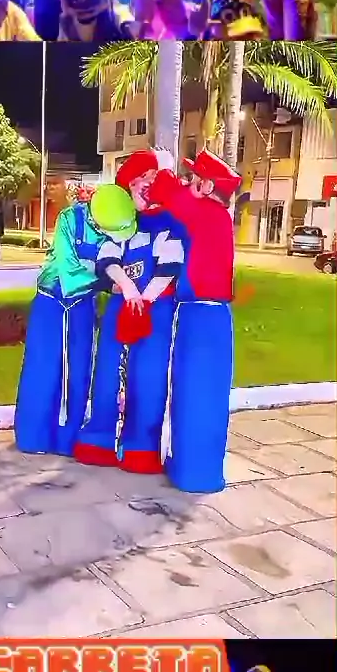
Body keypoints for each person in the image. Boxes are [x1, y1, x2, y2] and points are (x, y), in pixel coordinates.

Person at [75, 149, 187, 475]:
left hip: (155, 310)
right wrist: (126, 287)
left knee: (148, 376)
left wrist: (145, 299)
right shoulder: (123, 227)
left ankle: (142, 447)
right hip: (122, 307)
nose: (145, 186)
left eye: (150, 179)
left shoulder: (168, 225)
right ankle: (100, 439)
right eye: (138, 181)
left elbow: (169, 268)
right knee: (108, 371)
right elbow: (108, 260)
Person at [15, 183, 138, 457]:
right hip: (51, 303)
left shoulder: (114, 229)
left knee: (79, 369)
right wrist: (109, 284)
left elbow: (113, 262)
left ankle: (68, 439)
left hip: (82, 306)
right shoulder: (69, 219)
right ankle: (34, 436)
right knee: (43, 368)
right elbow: (68, 269)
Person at [147, 148, 241, 493]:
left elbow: (166, 193)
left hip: (198, 317)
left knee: (192, 393)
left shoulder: (205, 213)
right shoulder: (216, 217)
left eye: (194, 178)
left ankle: (190, 472)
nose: (188, 183)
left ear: (207, 186)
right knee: (204, 395)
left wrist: (163, 166)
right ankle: (199, 469)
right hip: (213, 318)